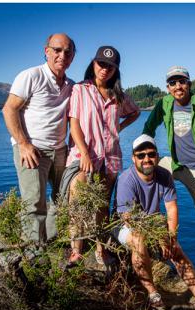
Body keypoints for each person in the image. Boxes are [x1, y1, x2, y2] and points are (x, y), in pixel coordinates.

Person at [114, 134, 195, 310]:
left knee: (176, 249)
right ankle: (153, 294)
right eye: (141, 155)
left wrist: (171, 238)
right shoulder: (126, 179)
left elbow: (172, 209)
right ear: (133, 158)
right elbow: (128, 219)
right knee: (138, 240)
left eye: (151, 154)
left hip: (152, 222)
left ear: (157, 156)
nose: (147, 159)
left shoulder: (164, 175)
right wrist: (159, 237)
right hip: (124, 226)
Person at [60, 45, 140, 266]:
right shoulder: (80, 89)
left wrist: (119, 128)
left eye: (110, 66)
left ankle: (100, 249)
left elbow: (135, 112)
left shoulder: (118, 96)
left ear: (116, 70)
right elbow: (73, 123)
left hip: (111, 158)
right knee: (78, 202)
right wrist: (84, 153)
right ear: (93, 64)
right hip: (83, 156)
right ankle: (76, 250)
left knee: (102, 206)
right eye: (101, 64)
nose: (105, 69)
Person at [142, 66, 195, 268]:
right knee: (141, 172)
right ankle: (141, 237)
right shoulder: (165, 103)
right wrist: (146, 151)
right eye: (172, 82)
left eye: (182, 81)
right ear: (168, 87)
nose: (178, 86)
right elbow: (148, 128)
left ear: (189, 84)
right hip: (175, 163)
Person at [2, 33, 76, 244]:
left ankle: (50, 246)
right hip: (33, 151)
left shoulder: (71, 85)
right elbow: (9, 110)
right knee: (34, 204)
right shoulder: (31, 76)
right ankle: (34, 257)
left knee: (62, 200)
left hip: (60, 151)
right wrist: (24, 145)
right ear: (47, 51)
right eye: (57, 50)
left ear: (72, 57)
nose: (62, 55)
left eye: (68, 52)